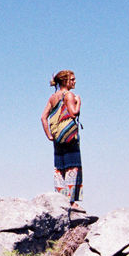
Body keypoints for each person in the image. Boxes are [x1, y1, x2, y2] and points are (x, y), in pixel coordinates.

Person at [41, 70, 84, 211]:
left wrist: (49, 135)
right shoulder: (69, 95)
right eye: (72, 79)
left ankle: (60, 199)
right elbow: (73, 113)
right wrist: (78, 102)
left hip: (58, 138)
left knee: (60, 167)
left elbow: (43, 117)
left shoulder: (53, 97)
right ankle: (71, 201)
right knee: (73, 166)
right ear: (65, 81)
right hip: (70, 137)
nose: (75, 81)